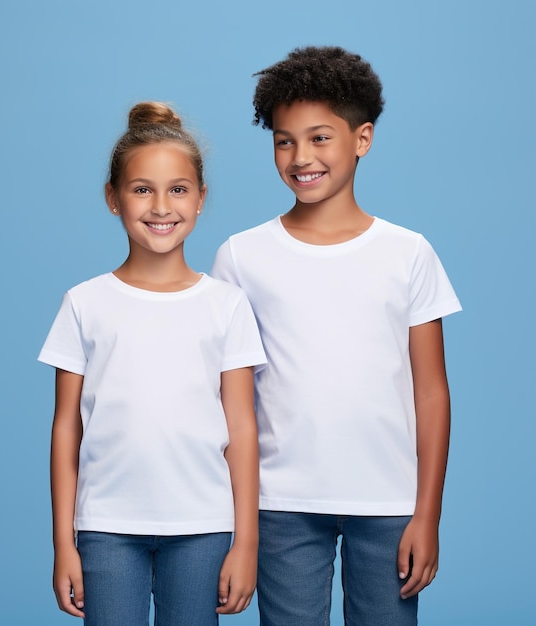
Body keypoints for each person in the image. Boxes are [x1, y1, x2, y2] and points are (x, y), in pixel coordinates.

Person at [211, 46, 462, 625]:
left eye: (320, 137)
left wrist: (428, 514)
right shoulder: (242, 257)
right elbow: (229, 398)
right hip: (281, 504)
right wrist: (238, 520)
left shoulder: (408, 254)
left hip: (389, 503)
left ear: (362, 139)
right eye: (283, 140)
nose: (301, 156)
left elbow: (431, 392)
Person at [39, 101, 266, 625]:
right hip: (106, 527)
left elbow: (242, 428)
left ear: (201, 199)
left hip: (204, 526)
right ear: (113, 199)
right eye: (142, 189)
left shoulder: (226, 305)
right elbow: (65, 428)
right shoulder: (84, 303)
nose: (161, 206)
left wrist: (246, 542)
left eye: (178, 189)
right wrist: (64, 544)